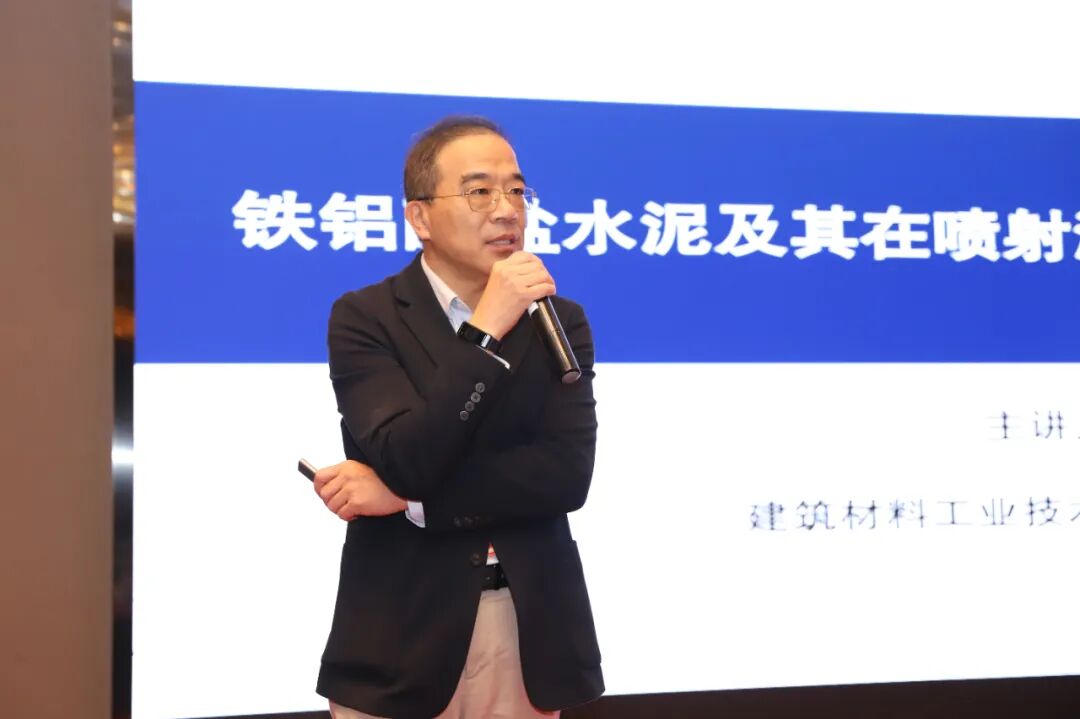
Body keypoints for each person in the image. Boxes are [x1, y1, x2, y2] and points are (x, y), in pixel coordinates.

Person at [311, 116, 603, 719]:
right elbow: (408, 456)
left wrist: (405, 499)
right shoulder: (366, 318)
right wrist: (485, 330)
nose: (507, 210)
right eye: (480, 192)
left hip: (528, 632)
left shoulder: (559, 320)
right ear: (419, 217)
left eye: (516, 190)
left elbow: (565, 476)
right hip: (401, 638)